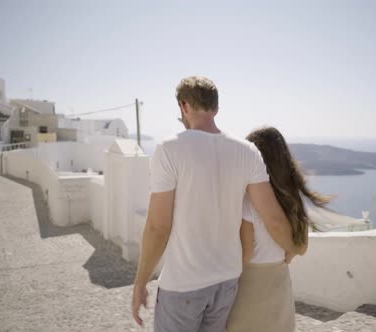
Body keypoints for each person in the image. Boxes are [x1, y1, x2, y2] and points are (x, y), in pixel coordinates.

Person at [131, 76, 305, 331]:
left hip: (183, 285)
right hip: (227, 283)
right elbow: (274, 218)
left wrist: (140, 282)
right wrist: (292, 247)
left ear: (184, 106)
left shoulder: (169, 149)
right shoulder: (248, 152)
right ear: (216, 108)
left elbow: (158, 227)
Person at [226, 127, 332, 332]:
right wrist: (290, 249)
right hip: (279, 284)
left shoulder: (247, 200)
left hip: (250, 287)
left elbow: (245, 255)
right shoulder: (292, 198)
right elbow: (302, 247)